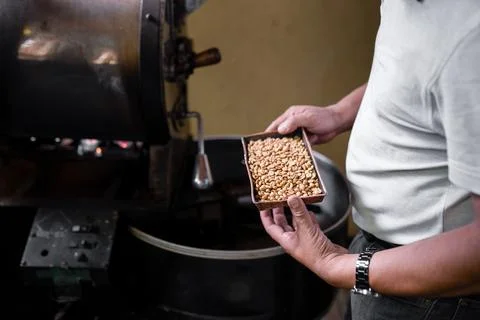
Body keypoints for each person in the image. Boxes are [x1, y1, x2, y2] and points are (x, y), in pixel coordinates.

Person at [259, 1, 480, 319]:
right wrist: (340, 114)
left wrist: (337, 265)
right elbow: (417, 74)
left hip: (432, 293)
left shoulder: (471, 38)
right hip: (375, 251)